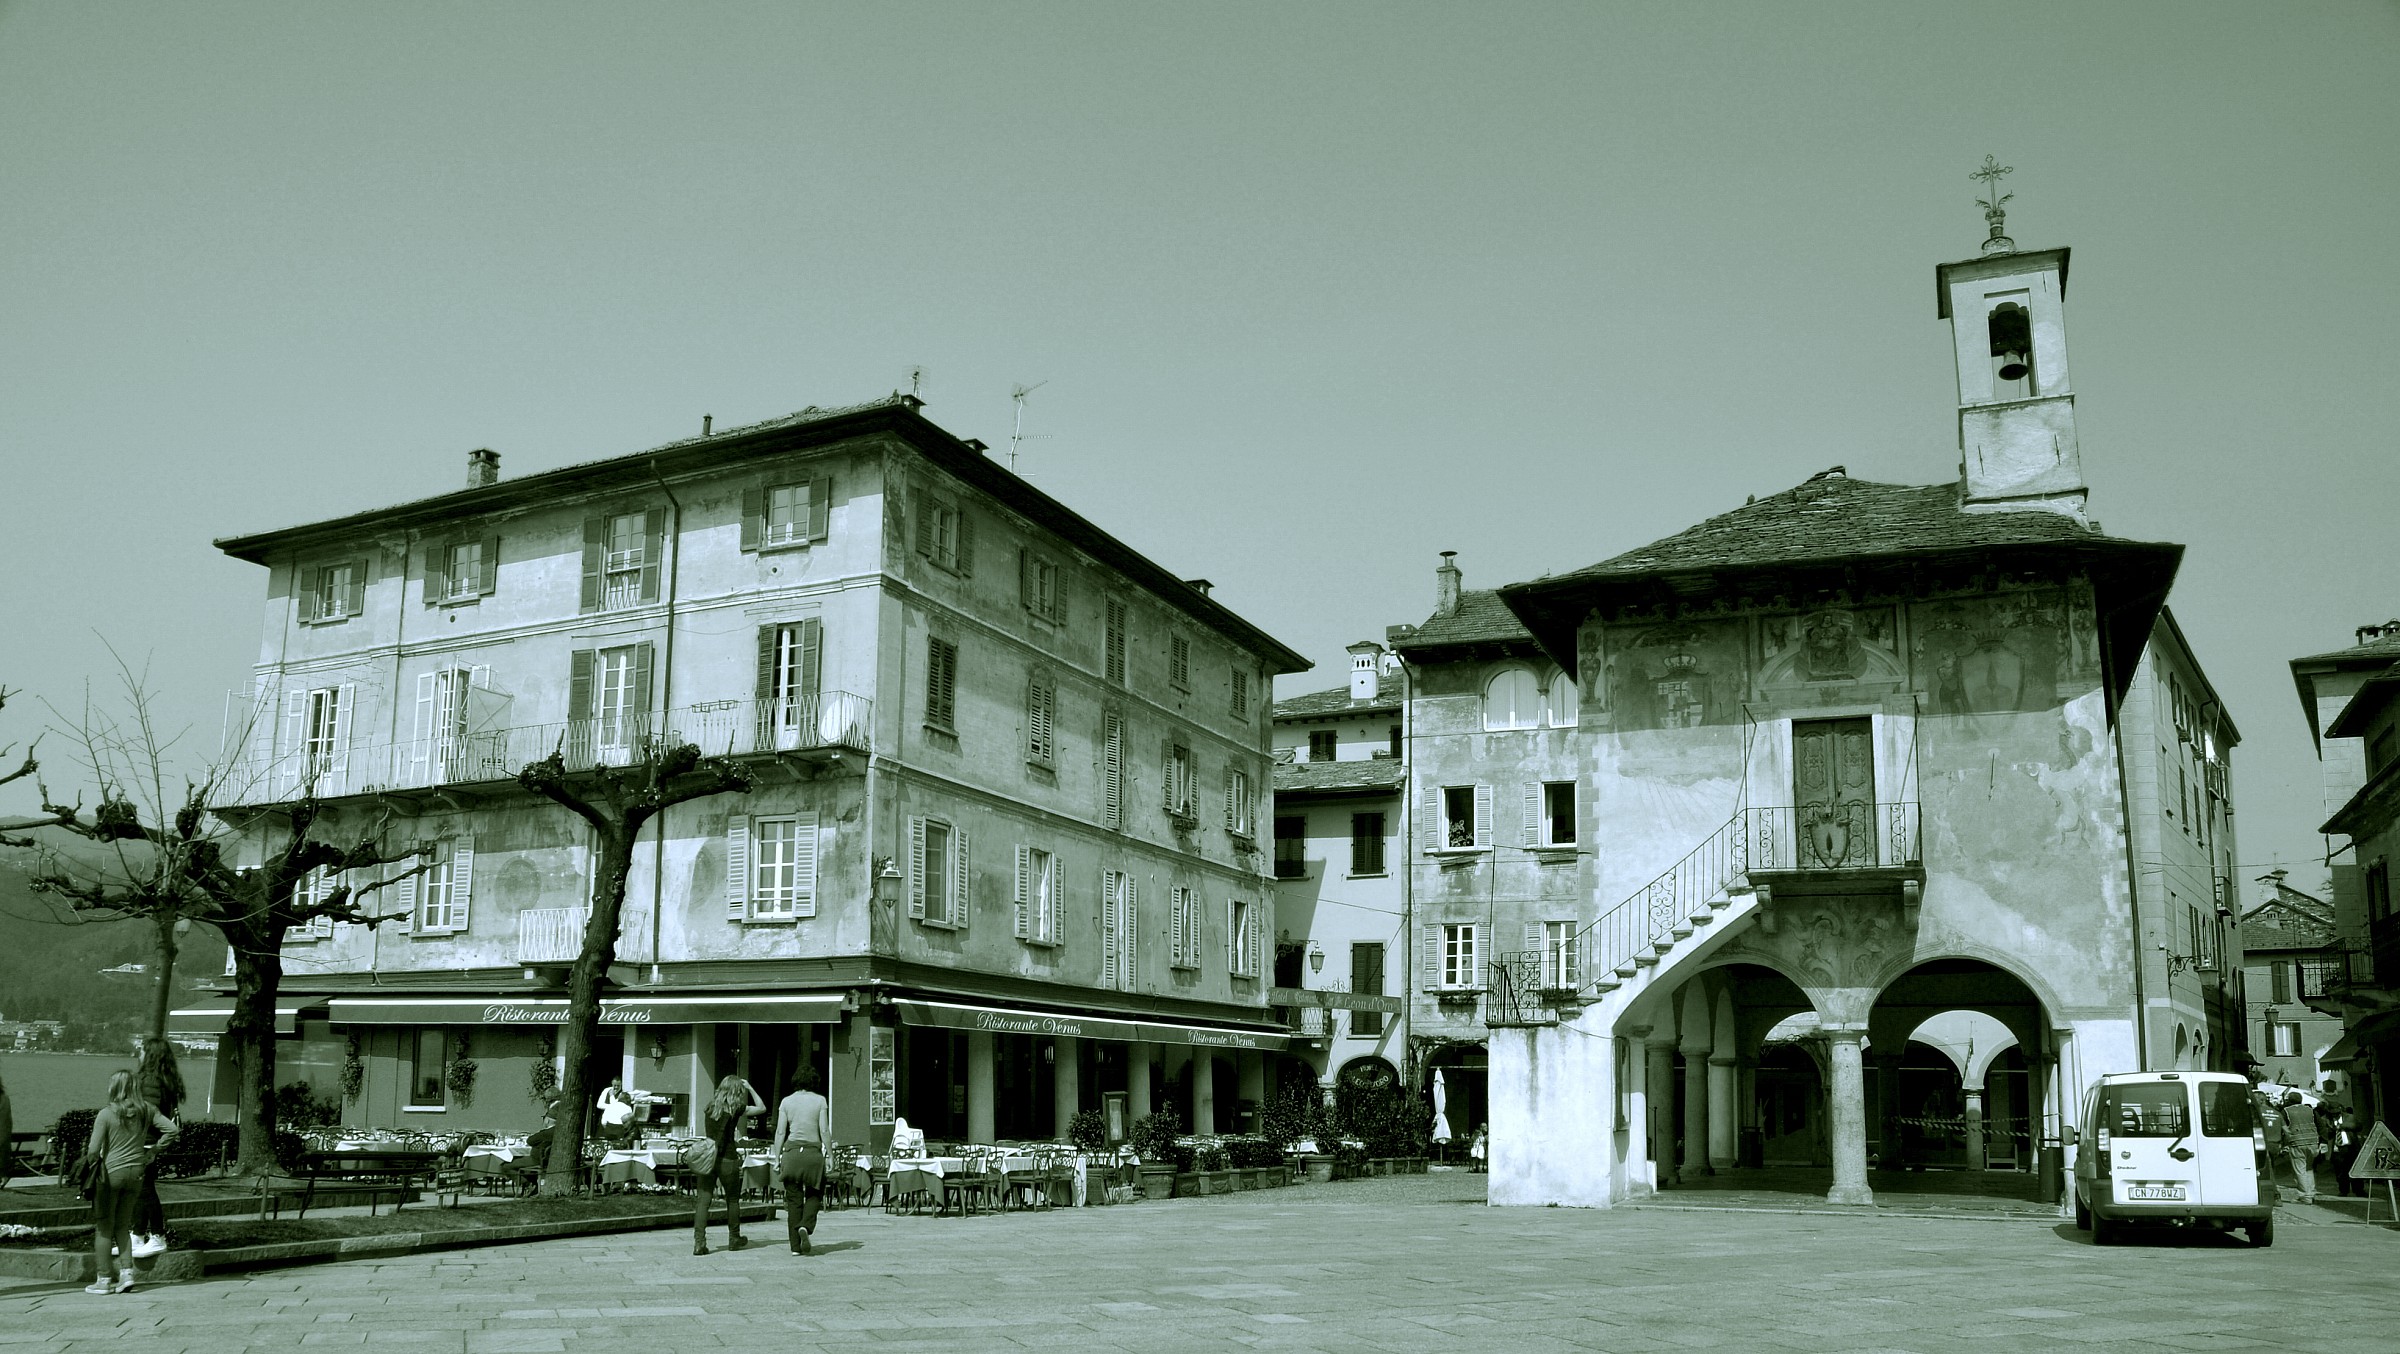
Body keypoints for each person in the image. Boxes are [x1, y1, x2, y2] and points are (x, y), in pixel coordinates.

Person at [83, 1069, 175, 1295]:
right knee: (123, 1226)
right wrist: (153, 1151)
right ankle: (127, 1275)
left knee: (104, 1228)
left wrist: (90, 1166)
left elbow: (93, 1150)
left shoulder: (106, 1114)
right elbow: (172, 1130)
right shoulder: (147, 1111)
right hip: (137, 1173)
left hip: (112, 1173)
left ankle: (104, 1279)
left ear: (114, 1088)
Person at [692, 1074, 764, 1255]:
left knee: (703, 1201)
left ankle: (699, 1242)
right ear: (736, 1090)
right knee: (732, 1200)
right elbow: (762, 1108)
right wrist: (750, 1088)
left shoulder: (709, 1107)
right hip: (728, 1158)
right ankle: (734, 1238)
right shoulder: (736, 1107)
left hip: (708, 1157)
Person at [130, 1039, 185, 1258]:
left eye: (141, 1050)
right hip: (147, 1141)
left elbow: (147, 1111)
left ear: (150, 1055)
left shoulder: (150, 1081)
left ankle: (157, 1236)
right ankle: (137, 1235)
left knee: (145, 1190)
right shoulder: (163, 1079)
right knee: (141, 1189)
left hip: (144, 1141)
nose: (138, 1054)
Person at [770, 1066, 833, 1255]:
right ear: (814, 1081)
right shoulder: (820, 1100)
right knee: (815, 1192)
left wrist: (777, 1157)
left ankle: (795, 1247)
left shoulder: (786, 1102)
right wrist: (830, 1154)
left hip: (792, 1153)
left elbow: (780, 1131)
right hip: (813, 1153)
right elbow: (824, 1130)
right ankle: (806, 1225)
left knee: (794, 1199)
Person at [2280, 1090, 2319, 1204]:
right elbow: (2320, 1125)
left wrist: (2283, 1143)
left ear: (2289, 1101)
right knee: (2309, 1168)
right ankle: (2311, 1192)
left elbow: (2283, 1127)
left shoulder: (2286, 1111)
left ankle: (2305, 1196)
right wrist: (2323, 1141)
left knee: (2299, 1170)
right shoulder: (2310, 1110)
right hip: (2312, 1142)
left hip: (2297, 1142)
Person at [597, 1078, 636, 1144]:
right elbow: (599, 1105)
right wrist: (611, 1107)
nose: (616, 1087)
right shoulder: (606, 1090)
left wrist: (611, 1105)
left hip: (612, 1126)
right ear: (612, 1084)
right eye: (614, 1085)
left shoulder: (622, 1093)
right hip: (610, 1124)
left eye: (618, 1085)